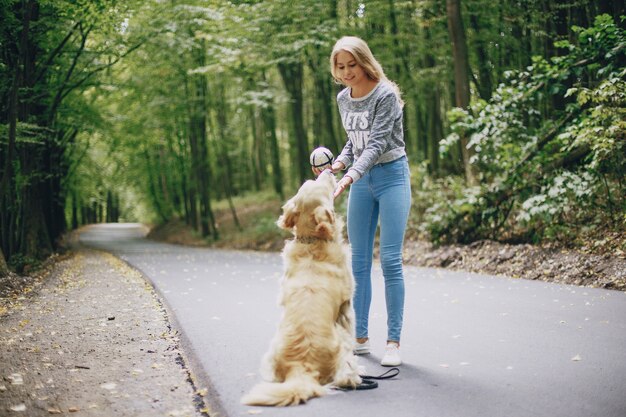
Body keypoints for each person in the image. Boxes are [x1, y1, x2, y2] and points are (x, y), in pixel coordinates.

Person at [314, 36, 411, 367]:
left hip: (392, 175)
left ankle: (394, 342)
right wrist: (338, 164)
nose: (346, 73)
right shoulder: (344, 99)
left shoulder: (385, 95)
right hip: (360, 179)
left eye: (351, 65)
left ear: (364, 61)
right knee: (357, 262)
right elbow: (354, 142)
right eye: (340, 67)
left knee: (390, 260)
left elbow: (377, 144)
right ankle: (360, 338)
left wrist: (348, 177)